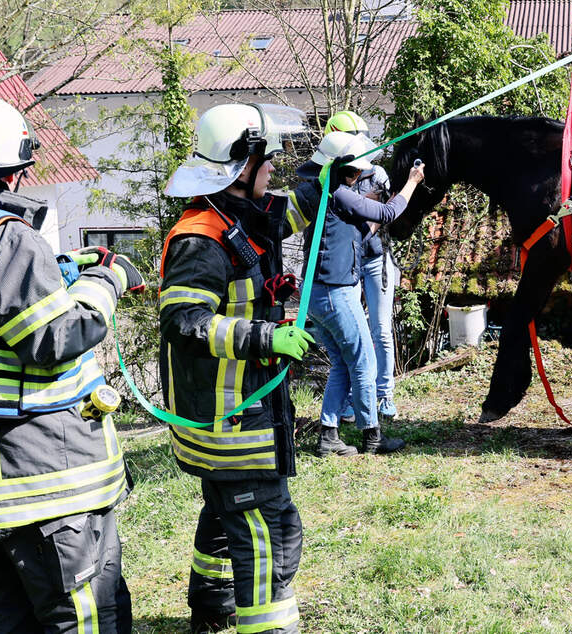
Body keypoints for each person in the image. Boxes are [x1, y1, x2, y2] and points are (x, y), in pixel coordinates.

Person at [0, 94, 142, 632]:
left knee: (4, 616)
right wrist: (105, 281)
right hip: (45, 479)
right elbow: (53, 339)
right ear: (12, 169)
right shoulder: (8, 237)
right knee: (84, 615)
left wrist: (56, 269)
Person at [160, 102, 314, 634]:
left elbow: (284, 217)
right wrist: (265, 336)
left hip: (230, 416)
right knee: (270, 531)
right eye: (265, 160)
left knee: (225, 515)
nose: (272, 168)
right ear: (241, 165)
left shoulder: (240, 215)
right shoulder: (201, 238)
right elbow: (184, 321)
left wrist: (328, 171)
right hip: (231, 422)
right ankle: (268, 625)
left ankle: (212, 606)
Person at [292, 131, 424, 457]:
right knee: (364, 361)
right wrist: (411, 183)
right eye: (354, 172)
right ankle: (372, 436)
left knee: (341, 363)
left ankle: (328, 435)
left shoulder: (324, 195)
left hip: (317, 294)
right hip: (335, 293)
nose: (357, 176)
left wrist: (371, 207)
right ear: (342, 171)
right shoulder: (340, 194)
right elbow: (388, 214)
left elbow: (356, 235)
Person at [323, 111, 400, 424]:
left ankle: (385, 394)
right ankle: (353, 400)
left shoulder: (376, 172)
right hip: (348, 265)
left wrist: (367, 211)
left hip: (375, 259)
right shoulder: (329, 178)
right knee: (353, 336)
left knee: (380, 328)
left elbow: (382, 213)